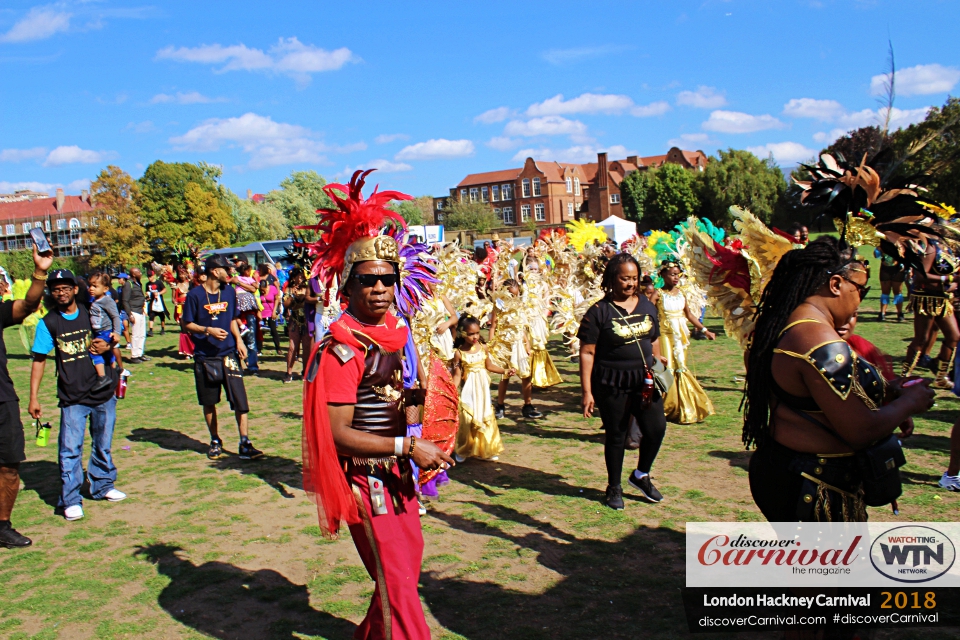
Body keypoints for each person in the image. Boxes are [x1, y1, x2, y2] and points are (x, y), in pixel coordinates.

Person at [303, 233, 453, 640]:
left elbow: (404, 399)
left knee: (407, 566)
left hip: (397, 473)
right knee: (398, 581)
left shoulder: (395, 335)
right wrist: (409, 445)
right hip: (364, 481)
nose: (380, 289)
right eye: (368, 280)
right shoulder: (341, 351)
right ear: (348, 286)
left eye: (388, 280)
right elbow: (338, 435)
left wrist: (422, 413)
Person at [743, 238, 934, 522]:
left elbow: (815, 396)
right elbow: (861, 430)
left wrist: (887, 392)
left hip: (788, 469)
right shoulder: (818, 340)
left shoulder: (785, 323)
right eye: (860, 289)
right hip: (816, 485)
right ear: (835, 285)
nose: (860, 297)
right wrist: (910, 403)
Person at [28, 269, 126, 522]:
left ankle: (102, 485)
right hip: (72, 395)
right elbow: (39, 360)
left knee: (102, 443)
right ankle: (70, 499)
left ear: (75, 289)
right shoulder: (48, 322)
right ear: (51, 293)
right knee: (70, 450)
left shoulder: (90, 309)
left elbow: (114, 333)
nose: (61, 292)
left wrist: (111, 344)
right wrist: (33, 397)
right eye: (55, 289)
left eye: (66, 287)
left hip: (103, 390)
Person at [579, 254, 668, 510]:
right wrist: (586, 392)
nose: (631, 283)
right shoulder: (598, 312)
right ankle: (614, 487)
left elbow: (653, 338)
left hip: (645, 380)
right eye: (625, 278)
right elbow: (587, 352)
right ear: (612, 279)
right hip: (611, 382)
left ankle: (641, 474)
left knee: (656, 428)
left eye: (634, 278)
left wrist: (657, 357)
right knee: (616, 435)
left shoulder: (647, 306)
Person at [181, 255, 263, 461]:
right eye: (226, 269)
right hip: (205, 357)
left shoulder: (229, 292)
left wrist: (239, 341)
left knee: (240, 401)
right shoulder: (195, 295)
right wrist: (208, 330)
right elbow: (187, 324)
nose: (230, 272)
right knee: (209, 402)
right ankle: (215, 440)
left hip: (228, 355)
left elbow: (234, 319)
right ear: (214, 271)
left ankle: (245, 442)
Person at [0, 246, 53, 547]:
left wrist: (40, 270)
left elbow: (30, 304)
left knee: (9, 465)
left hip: (2, 399)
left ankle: (2, 525)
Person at [648, 262, 716, 424]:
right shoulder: (658, 294)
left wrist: (705, 330)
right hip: (664, 335)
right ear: (663, 276)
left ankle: (684, 405)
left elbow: (690, 315)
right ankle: (666, 406)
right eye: (672, 274)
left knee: (681, 366)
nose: (675, 277)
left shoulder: (681, 294)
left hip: (681, 335)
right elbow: (648, 314)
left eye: (677, 274)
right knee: (667, 368)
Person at [451, 315, 514, 462]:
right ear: (462, 333)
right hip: (468, 392)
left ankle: (487, 448)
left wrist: (505, 371)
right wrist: (452, 390)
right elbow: (457, 375)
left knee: (485, 415)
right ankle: (463, 448)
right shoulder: (458, 353)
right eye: (471, 334)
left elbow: (489, 366)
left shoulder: (483, 347)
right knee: (468, 418)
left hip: (483, 390)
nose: (475, 337)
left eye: (477, 333)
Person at [901, 239, 959, 386]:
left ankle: (941, 377)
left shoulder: (947, 248)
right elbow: (920, 275)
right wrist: (949, 279)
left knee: (954, 336)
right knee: (922, 339)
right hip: (926, 298)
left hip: (942, 298)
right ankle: (904, 377)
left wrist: (953, 284)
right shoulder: (930, 247)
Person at [489, 280, 543, 420]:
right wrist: (491, 343)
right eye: (511, 295)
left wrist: (526, 343)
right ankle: (500, 405)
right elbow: (493, 326)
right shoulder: (499, 305)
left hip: (518, 343)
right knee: (505, 376)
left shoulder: (519, 306)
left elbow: (520, 326)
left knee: (526, 375)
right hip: (505, 344)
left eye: (516, 294)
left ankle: (528, 405)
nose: (514, 298)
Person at [87, 272, 123, 392]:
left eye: (95, 286)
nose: (91, 289)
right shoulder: (93, 300)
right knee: (108, 354)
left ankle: (102, 377)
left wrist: (117, 332)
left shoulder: (107, 301)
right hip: (98, 332)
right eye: (90, 285)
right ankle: (113, 372)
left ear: (105, 288)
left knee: (95, 351)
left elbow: (116, 317)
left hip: (105, 332)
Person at [232, 262, 260, 376]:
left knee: (251, 339)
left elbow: (255, 288)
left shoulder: (246, 279)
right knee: (236, 340)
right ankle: (238, 366)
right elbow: (230, 282)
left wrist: (240, 283)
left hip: (250, 312)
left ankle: (252, 366)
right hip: (238, 312)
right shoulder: (236, 278)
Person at [283, 268, 310, 384]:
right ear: (293, 278)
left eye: (302, 276)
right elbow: (286, 305)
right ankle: (289, 372)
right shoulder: (289, 289)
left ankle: (305, 371)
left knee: (306, 348)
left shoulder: (308, 288)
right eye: (298, 276)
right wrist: (293, 296)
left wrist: (303, 296)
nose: (300, 278)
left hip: (307, 322)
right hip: (295, 321)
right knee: (292, 347)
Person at [121, 267, 148, 363]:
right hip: (134, 312)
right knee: (136, 334)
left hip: (141, 311)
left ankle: (140, 353)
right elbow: (125, 300)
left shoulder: (138, 283)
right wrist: (130, 314)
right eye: (138, 272)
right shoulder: (129, 284)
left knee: (142, 334)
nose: (140, 273)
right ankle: (134, 355)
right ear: (133, 274)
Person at [877, 251, 905, 322]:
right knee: (885, 292)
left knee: (897, 291)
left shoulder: (901, 243)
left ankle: (900, 313)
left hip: (898, 268)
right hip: (885, 268)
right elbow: (876, 255)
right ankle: (882, 313)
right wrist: (878, 249)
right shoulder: (883, 243)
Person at [172, 268, 194, 359]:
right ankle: (186, 351)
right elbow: (173, 299)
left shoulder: (191, 283)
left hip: (190, 307)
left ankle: (194, 349)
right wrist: (176, 303)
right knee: (184, 329)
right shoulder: (176, 285)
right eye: (180, 274)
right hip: (180, 308)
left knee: (193, 329)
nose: (182, 276)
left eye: (183, 274)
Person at [258, 278, 282, 355]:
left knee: (273, 331)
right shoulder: (258, 291)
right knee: (260, 331)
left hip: (271, 312)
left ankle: (278, 348)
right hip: (262, 313)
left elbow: (276, 300)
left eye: (263, 290)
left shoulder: (272, 289)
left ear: (267, 286)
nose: (262, 291)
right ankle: (259, 349)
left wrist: (274, 311)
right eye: (261, 290)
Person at [145, 271, 168, 337]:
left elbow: (165, 290)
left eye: (150, 276)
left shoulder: (159, 282)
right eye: (148, 276)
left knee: (162, 316)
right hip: (152, 303)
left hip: (159, 302)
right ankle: (150, 331)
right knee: (151, 316)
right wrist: (148, 296)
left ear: (153, 275)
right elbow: (147, 292)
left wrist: (158, 293)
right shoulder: (147, 284)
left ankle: (163, 329)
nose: (149, 278)